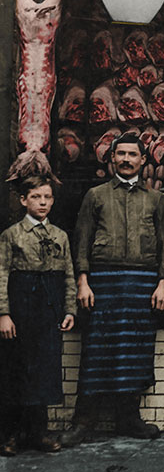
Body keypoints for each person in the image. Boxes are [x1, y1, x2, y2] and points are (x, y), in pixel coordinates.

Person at [61, 133, 164, 447]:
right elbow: (80, 242)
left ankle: (129, 419)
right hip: (103, 283)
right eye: (120, 154)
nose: (125, 159)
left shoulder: (155, 199)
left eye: (132, 155)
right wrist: (83, 282)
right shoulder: (95, 196)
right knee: (97, 352)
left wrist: (163, 283)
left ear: (142, 161)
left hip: (141, 284)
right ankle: (83, 421)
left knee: (134, 351)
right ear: (112, 159)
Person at [0, 176, 76, 455]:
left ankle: (38, 433)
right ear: (23, 200)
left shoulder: (60, 236)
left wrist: (69, 309)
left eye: (47, 197)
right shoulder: (12, 235)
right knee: (16, 370)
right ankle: (10, 434)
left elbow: (68, 274)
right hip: (21, 306)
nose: (42, 203)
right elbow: (1, 275)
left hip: (48, 307)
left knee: (44, 370)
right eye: (36, 197)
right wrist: (3, 313)